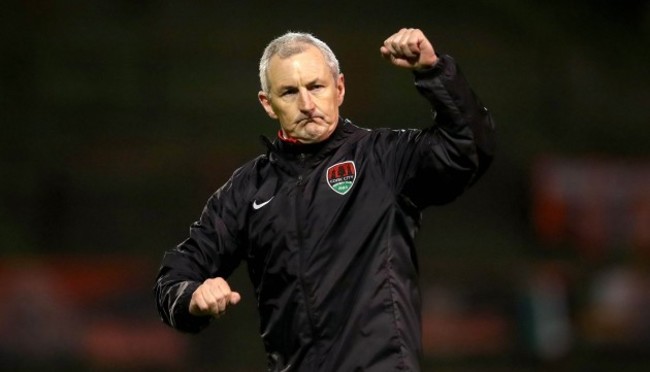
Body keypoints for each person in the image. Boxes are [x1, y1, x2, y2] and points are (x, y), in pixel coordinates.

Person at [154, 28, 496, 371]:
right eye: (289, 92)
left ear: (340, 88)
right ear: (267, 103)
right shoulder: (247, 190)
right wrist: (191, 298)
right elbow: (176, 276)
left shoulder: (383, 159)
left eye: (316, 87)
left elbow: (468, 150)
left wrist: (432, 71)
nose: (306, 104)